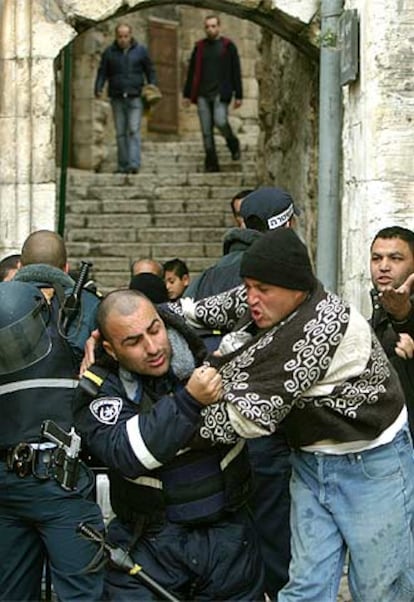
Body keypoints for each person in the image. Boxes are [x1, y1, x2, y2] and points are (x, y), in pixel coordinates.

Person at [176, 227, 414, 602]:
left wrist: (165, 424)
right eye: (249, 286)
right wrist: (141, 316)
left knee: (381, 590)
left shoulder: (321, 329)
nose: (251, 298)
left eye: (262, 290)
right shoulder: (270, 295)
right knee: (305, 588)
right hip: (311, 461)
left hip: (372, 466)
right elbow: (196, 310)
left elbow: (243, 419)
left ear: (296, 288)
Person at [73, 289, 265, 601]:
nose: (151, 348)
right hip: (148, 547)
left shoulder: (208, 351)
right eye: (133, 342)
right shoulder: (100, 388)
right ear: (110, 348)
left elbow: (271, 299)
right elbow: (126, 452)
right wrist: (190, 401)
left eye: (155, 329)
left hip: (229, 540)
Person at [0, 230, 104, 601]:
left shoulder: (3, 311)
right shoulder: (92, 308)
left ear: (21, 266)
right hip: (63, 478)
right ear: (66, 266)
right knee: (81, 594)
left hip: (7, 480)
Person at [95, 23, 158, 174]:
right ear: (116, 37)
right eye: (120, 36)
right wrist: (98, 87)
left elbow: (150, 70)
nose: (123, 39)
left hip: (135, 96)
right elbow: (102, 72)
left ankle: (134, 164)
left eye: (126, 36)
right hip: (117, 96)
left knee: (134, 129)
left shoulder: (141, 51)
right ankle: (123, 165)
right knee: (120, 132)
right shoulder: (109, 53)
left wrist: (152, 86)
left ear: (131, 36)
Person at [183, 14, 242, 172]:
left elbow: (235, 70)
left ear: (219, 27)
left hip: (220, 93)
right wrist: (187, 94)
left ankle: (233, 143)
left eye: (213, 26)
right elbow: (192, 72)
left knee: (220, 121)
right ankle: (211, 161)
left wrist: (239, 95)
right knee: (206, 130)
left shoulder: (228, 46)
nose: (210, 29)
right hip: (202, 94)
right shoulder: (200, 47)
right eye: (207, 26)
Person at [370, 225, 414, 435]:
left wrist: (403, 317)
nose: (384, 266)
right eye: (377, 258)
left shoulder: (402, 310)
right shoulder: (376, 312)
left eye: (395, 258)